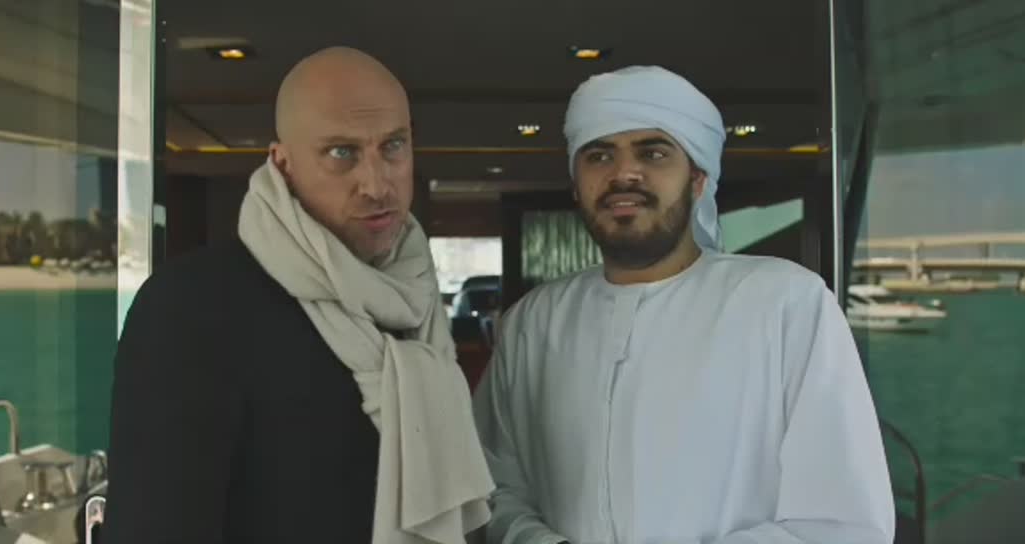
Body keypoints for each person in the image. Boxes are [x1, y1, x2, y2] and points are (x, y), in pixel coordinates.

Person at [472, 66, 895, 544]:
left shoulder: (784, 303)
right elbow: (491, 486)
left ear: (697, 180)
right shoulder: (535, 321)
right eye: (599, 155)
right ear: (576, 184)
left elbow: (842, 519)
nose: (623, 173)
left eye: (653, 152)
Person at [105, 46, 493, 543]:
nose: (376, 184)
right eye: (342, 153)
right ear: (282, 164)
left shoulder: (412, 296)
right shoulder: (192, 307)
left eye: (393, 146)